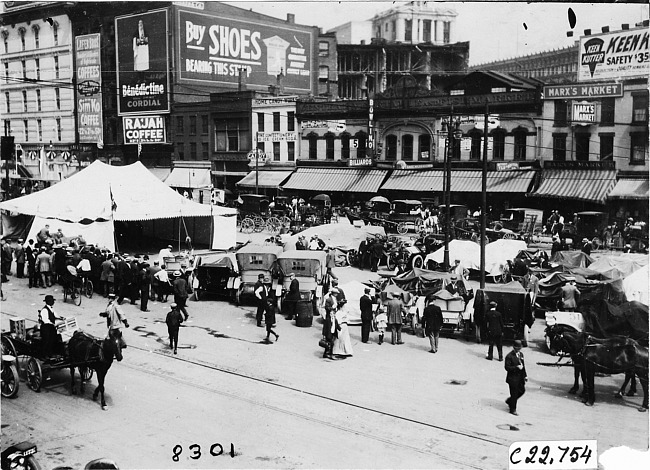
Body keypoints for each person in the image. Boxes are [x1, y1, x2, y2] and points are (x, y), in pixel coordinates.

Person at [505, 340, 527, 416]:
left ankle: (510, 401)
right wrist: (516, 368)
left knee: (522, 391)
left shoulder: (521, 354)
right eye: (517, 348)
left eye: (519, 348)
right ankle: (513, 409)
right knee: (514, 394)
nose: (518, 350)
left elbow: (523, 366)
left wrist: (525, 375)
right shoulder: (509, 356)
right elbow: (507, 367)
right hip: (512, 379)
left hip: (520, 378)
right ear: (514, 347)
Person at [322, 290, 339, 359]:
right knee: (329, 337)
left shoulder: (335, 299)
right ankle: (327, 353)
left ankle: (330, 352)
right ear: (333, 293)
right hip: (329, 319)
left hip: (333, 318)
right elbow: (327, 308)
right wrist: (332, 308)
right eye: (336, 293)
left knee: (332, 337)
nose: (337, 294)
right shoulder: (329, 299)